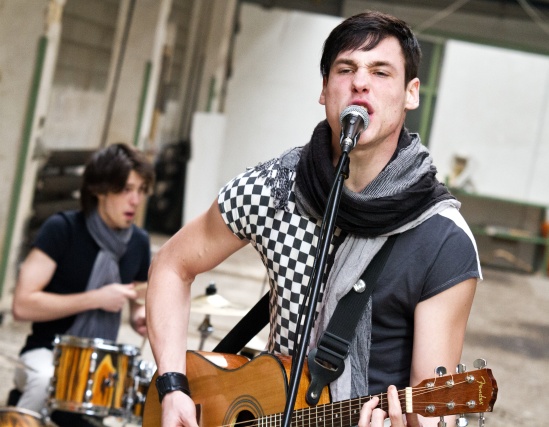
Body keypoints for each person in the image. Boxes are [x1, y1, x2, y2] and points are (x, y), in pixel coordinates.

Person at [147, 10, 481, 427]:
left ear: (411, 94)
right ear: (324, 89)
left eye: (381, 72)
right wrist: (173, 386)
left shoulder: (442, 239)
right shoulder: (277, 187)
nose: (360, 83)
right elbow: (172, 264)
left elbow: (432, 411)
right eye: (346, 69)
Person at [11, 143, 155, 422]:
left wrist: (140, 317)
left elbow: (137, 301)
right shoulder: (62, 229)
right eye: (126, 189)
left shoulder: (139, 242)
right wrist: (96, 299)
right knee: (45, 379)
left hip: (100, 363)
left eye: (141, 190)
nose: (135, 200)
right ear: (99, 189)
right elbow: (22, 305)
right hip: (46, 352)